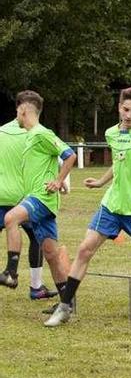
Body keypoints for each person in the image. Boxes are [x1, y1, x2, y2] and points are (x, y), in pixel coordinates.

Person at [45, 87, 131, 327]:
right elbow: (119, 163)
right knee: (85, 249)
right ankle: (64, 307)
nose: (128, 115)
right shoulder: (111, 133)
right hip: (111, 205)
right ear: (119, 107)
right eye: (125, 110)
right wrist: (100, 182)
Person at [0, 91, 75, 303]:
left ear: (23, 110)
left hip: (39, 198)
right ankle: (65, 303)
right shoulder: (31, 135)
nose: (16, 116)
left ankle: (11, 272)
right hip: (36, 198)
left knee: (11, 219)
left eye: (17, 111)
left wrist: (59, 181)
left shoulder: (41, 133)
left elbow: (69, 155)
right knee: (50, 253)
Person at [0, 118, 57, 300]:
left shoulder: (1, 132)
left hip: (1, 192)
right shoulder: (36, 134)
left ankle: (11, 272)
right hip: (23, 196)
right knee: (36, 239)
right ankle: (36, 287)